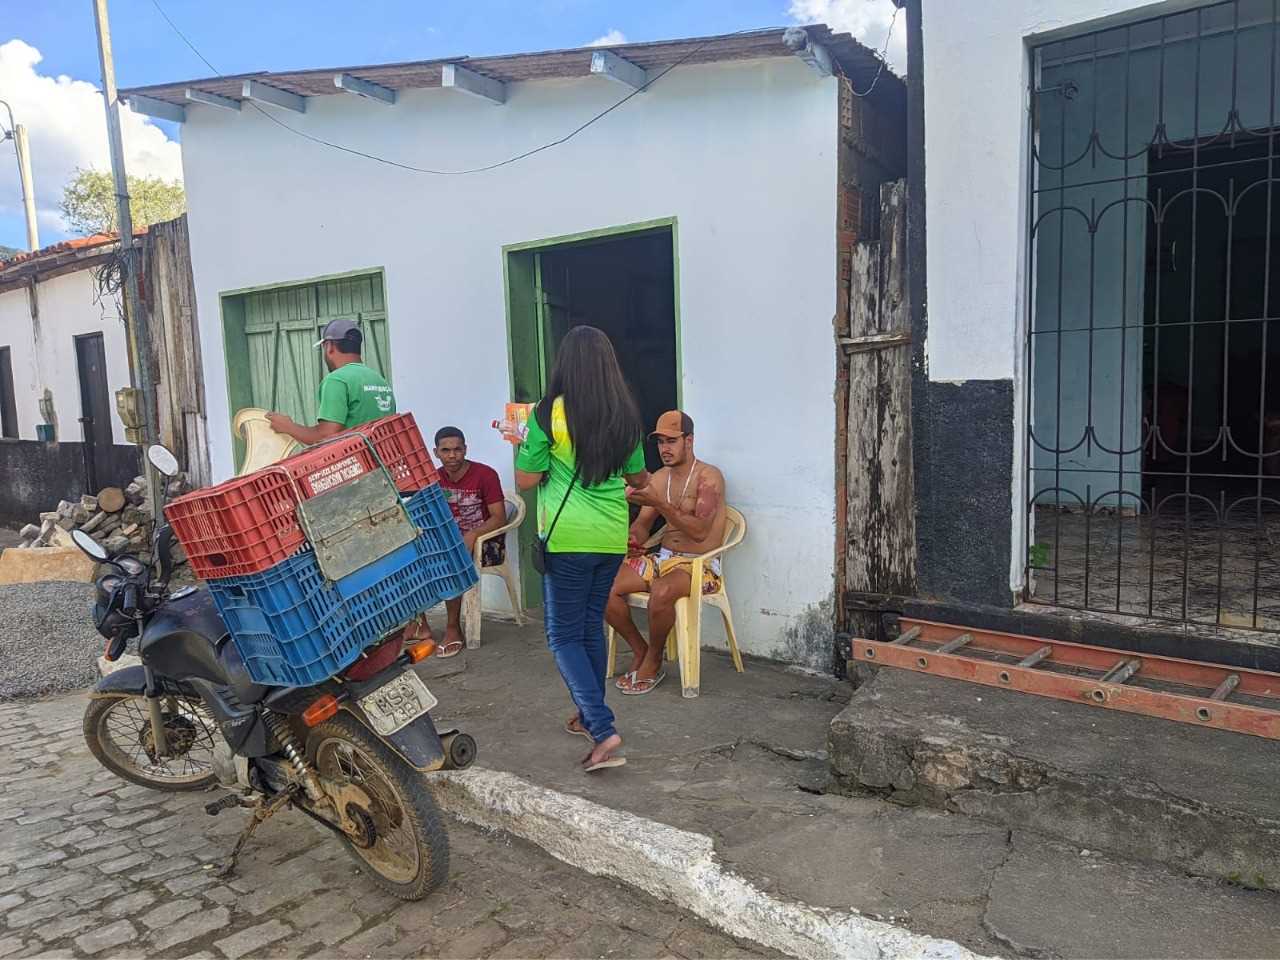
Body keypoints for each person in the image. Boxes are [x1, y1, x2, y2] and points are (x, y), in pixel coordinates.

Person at [514, 326, 649, 772]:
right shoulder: (625, 413)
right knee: (589, 628)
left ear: (564, 363)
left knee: (562, 636)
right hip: (610, 537)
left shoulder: (547, 413)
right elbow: (639, 480)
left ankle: (602, 726)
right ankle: (590, 717)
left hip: (567, 538)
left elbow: (525, 480)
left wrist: (525, 448)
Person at [607, 411, 726, 695]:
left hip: (699, 565)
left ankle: (654, 659)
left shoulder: (709, 477)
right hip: (661, 559)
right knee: (601, 586)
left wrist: (661, 503)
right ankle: (641, 650)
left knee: (661, 591)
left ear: (689, 440)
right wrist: (633, 538)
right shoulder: (661, 477)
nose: (664, 449)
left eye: (671, 441)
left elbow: (699, 532)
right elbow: (643, 525)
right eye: (660, 442)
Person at [414, 426, 507, 658]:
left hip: (486, 544)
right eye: (445, 450)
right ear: (436, 452)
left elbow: (499, 517)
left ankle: (453, 628)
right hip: (449, 541)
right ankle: (420, 625)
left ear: (465, 449)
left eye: (457, 449)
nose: (452, 455)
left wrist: (473, 534)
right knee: (410, 558)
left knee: (450, 559)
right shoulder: (434, 478)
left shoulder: (485, 474)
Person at [266, 319, 395, 441]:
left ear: (329, 346)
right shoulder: (380, 380)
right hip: (381, 461)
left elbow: (326, 435)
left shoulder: (336, 380)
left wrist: (288, 427)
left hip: (353, 462)